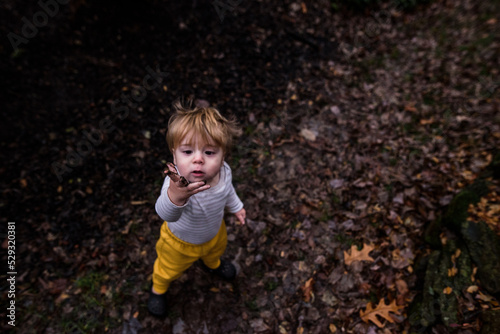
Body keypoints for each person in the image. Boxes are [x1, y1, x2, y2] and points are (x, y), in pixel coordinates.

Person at [147, 100, 246, 317]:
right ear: (174, 155)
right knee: (168, 268)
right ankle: (158, 288)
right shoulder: (178, 185)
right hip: (180, 244)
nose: (198, 159)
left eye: (209, 152)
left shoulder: (224, 173)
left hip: (213, 232)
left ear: (223, 156)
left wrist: (236, 206)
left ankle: (212, 264)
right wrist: (176, 197)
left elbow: (227, 191)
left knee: (216, 251)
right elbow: (165, 213)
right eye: (188, 151)